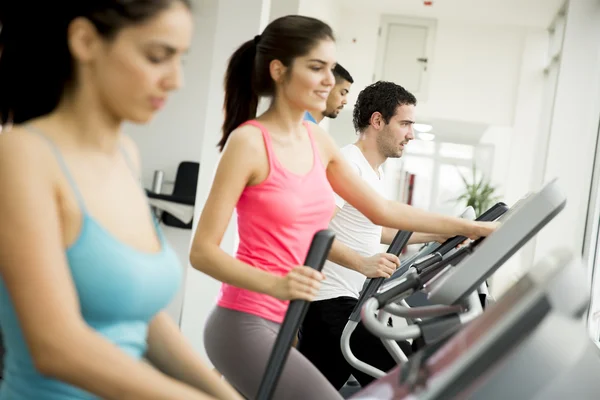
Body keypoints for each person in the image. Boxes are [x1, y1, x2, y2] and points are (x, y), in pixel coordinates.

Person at [189, 14, 497, 400]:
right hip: (243, 320)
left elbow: (384, 213)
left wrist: (472, 228)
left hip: (285, 318)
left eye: (331, 69)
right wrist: (277, 283)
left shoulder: (317, 141)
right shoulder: (250, 142)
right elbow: (202, 252)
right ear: (278, 70)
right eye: (317, 68)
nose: (329, 81)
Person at [0, 2, 242, 399]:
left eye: (181, 59)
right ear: (85, 41)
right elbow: (55, 346)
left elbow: (142, 318)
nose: (176, 79)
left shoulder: (126, 155)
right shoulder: (23, 155)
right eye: (157, 57)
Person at [297, 80, 449, 390]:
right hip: (329, 306)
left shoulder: (372, 171)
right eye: (405, 123)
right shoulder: (348, 164)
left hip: (344, 304)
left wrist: (441, 236)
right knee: (406, 384)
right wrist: (362, 264)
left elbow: (378, 229)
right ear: (377, 121)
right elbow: (312, 231)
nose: (411, 133)